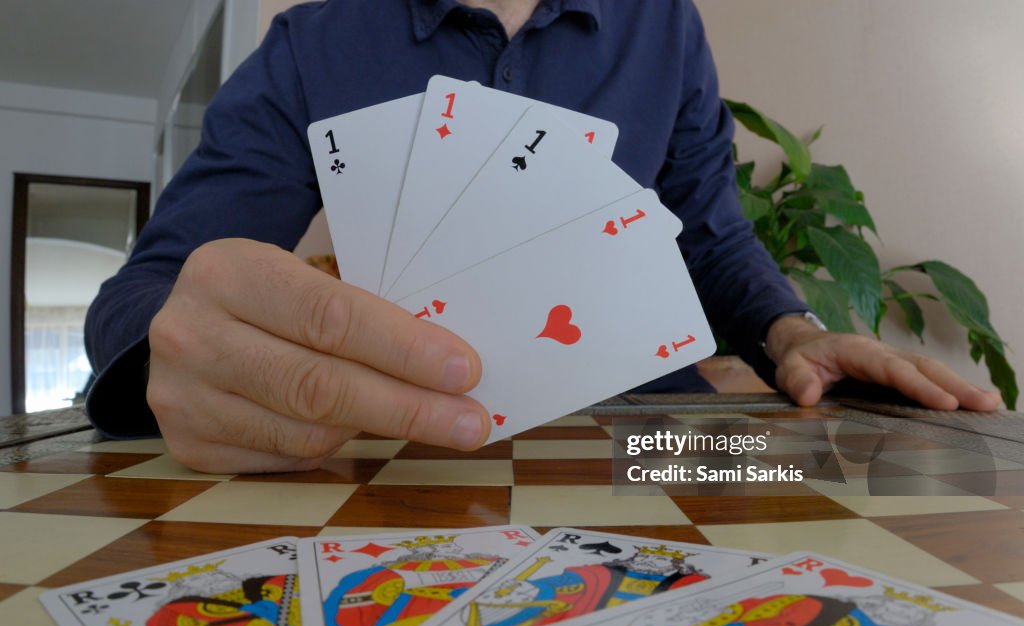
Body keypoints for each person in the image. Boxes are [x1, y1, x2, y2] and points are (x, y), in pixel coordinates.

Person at [84, 0, 1000, 474]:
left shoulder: (667, 25)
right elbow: (144, 297)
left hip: (655, 453)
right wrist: (179, 352)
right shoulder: (307, 47)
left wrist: (793, 332)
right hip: (408, 464)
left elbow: (708, 232)